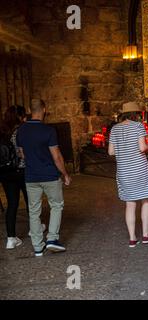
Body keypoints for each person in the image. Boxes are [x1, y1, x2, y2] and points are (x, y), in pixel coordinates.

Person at [16, 99, 72, 257]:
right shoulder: (49, 131)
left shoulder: (21, 131)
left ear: (29, 109)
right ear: (44, 109)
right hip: (49, 176)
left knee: (34, 211)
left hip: (31, 176)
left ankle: (37, 247)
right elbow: (57, 156)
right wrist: (65, 174)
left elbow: (22, 153)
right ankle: (52, 239)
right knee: (56, 205)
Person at [108, 102, 148, 248]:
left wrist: (124, 150)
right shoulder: (138, 126)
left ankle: (132, 238)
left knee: (130, 204)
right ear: (135, 114)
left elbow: (111, 152)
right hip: (139, 170)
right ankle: (146, 234)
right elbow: (142, 147)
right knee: (146, 200)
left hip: (124, 171)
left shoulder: (115, 129)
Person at [0, 106, 28, 249]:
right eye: (24, 116)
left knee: (12, 204)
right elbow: (22, 153)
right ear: (20, 117)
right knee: (31, 202)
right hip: (21, 171)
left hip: (5, 172)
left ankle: (11, 238)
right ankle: (34, 229)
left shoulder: (2, 132)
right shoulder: (22, 131)